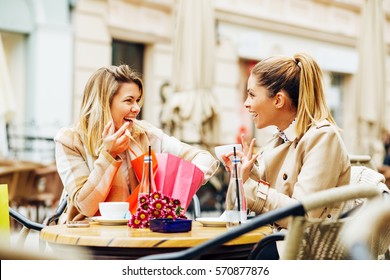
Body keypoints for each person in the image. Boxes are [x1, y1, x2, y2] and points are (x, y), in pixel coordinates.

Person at [222, 53, 351, 259]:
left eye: (252, 95)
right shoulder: (279, 138)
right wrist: (244, 174)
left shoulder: (323, 137)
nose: (246, 103)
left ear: (279, 100)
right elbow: (265, 196)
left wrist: (248, 185)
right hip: (273, 241)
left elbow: (304, 214)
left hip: (303, 253)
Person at [55, 65, 219, 222]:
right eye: (129, 101)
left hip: (136, 235)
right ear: (104, 103)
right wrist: (108, 155)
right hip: (85, 237)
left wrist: (180, 185)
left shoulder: (143, 134)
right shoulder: (70, 140)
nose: (137, 108)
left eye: (138, 100)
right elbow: (85, 206)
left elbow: (204, 158)